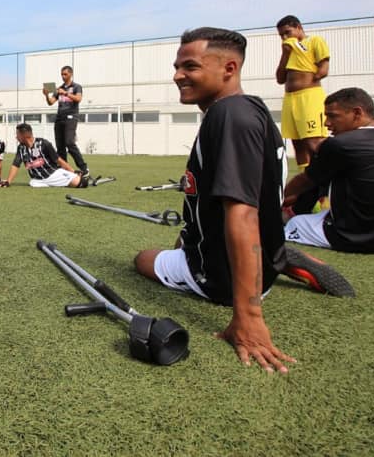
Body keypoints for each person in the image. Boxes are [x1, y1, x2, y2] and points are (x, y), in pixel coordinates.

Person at [134, 28, 352, 374]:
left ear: (229, 68)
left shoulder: (228, 116)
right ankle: (276, 256)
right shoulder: (250, 110)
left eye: (189, 67)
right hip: (251, 259)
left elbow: (243, 214)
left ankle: (264, 264)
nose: (178, 75)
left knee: (143, 259)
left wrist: (248, 317)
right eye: (177, 66)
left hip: (223, 278)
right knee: (192, 226)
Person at [283, 88, 374, 252]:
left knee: (294, 223)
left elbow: (304, 182)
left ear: (357, 113)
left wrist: (277, 201)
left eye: (333, 116)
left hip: (356, 236)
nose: (326, 123)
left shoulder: (341, 143)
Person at [275, 15, 330, 171]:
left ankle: (324, 187)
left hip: (310, 97)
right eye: (281, 35)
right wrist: (285, 54)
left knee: (313, 143)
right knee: (297, 143)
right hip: (290, 100)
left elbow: (323, 70)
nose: (285, 37)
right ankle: (305, 182)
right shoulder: (288, 50)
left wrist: (306, 80)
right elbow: (280, 78)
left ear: (298, 27)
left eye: (287, 32)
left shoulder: (314, 41)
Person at [0, 123, 86, 188]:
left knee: (81, 183)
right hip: (38, 181)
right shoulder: (21, 148)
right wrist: (8, 182)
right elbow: (16, 164)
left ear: (24, 135)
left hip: (53, 175)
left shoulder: (44, 143)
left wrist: (72, 171)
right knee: (33, 183)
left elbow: (58, 160)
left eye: (18, 134)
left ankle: (74, 177)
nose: (16, 137)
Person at [44, 65, 88, 175]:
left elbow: (78, 99)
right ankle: (65, 170)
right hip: (59, 118)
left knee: (69, 142)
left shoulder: (77, 86)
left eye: (65, 74)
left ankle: (84, 168)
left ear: (71, 74)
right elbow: (51, 102)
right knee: (60, 146)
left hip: (71, 117)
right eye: (62, 74)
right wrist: (46, 95)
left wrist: (66, 93)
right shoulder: (59, 89)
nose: (63, 76)